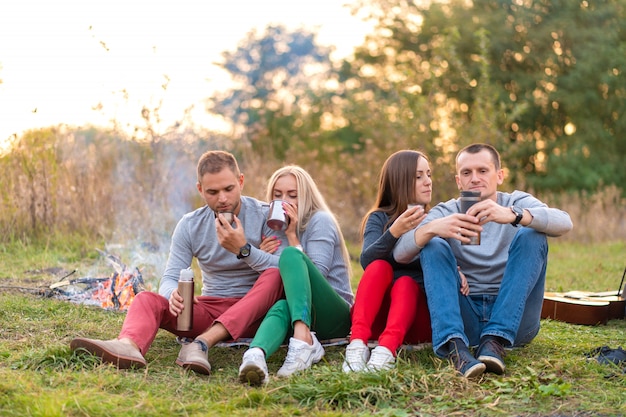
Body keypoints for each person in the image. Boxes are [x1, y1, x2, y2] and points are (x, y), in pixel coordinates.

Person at [70, 150, 287, 375]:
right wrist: (172, 293)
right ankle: (128, 346)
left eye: (228, 189)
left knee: (274, 275)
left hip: (258, 314)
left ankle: (201, 343)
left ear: (241, 181)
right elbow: (170, 277)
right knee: (146, 298)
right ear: (200, 189)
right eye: (212, 192)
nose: (222, 199)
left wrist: (245, 250)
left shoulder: (267, 216)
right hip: (211, 310)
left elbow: (286, 270)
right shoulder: (190, 225)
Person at [393, 143, 573, 378]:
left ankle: (496, 339)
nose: (475, 179)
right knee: (432, 243)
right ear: (459, 181)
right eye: (467, 173)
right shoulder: (447, 210)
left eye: (483, 171)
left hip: (515, 320)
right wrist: (434, 228)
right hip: (466, 315)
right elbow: (399, 254)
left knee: (532, 234)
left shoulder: (515, 202)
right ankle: (455, 347)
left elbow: (565, 222)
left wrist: (514, 216)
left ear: (499, 176)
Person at [236, 165, 354, 386]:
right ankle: (255, 356)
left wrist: (291, 236)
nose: (284, 200)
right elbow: (284, 273)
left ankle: (302, 341)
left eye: (293, 195)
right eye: (277, 194)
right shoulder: (274, 226)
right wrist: (261, 253)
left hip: (333, 313)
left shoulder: (321, 220)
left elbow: (312, 273)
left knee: (291, 254)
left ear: (306, 196)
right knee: (280, 307)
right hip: (298, 312)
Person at [342, 150, 456, 372]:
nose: (428, 182)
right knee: (379, 266)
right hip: (378, 317)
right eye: (418, 176)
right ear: (400, 181)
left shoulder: (437, 221)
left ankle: (386, 352)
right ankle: (356, 347)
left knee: (405, 283)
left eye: (429, 175)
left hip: (416, 319)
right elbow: (367, 262)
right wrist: (394, 232)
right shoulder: (379, 218)